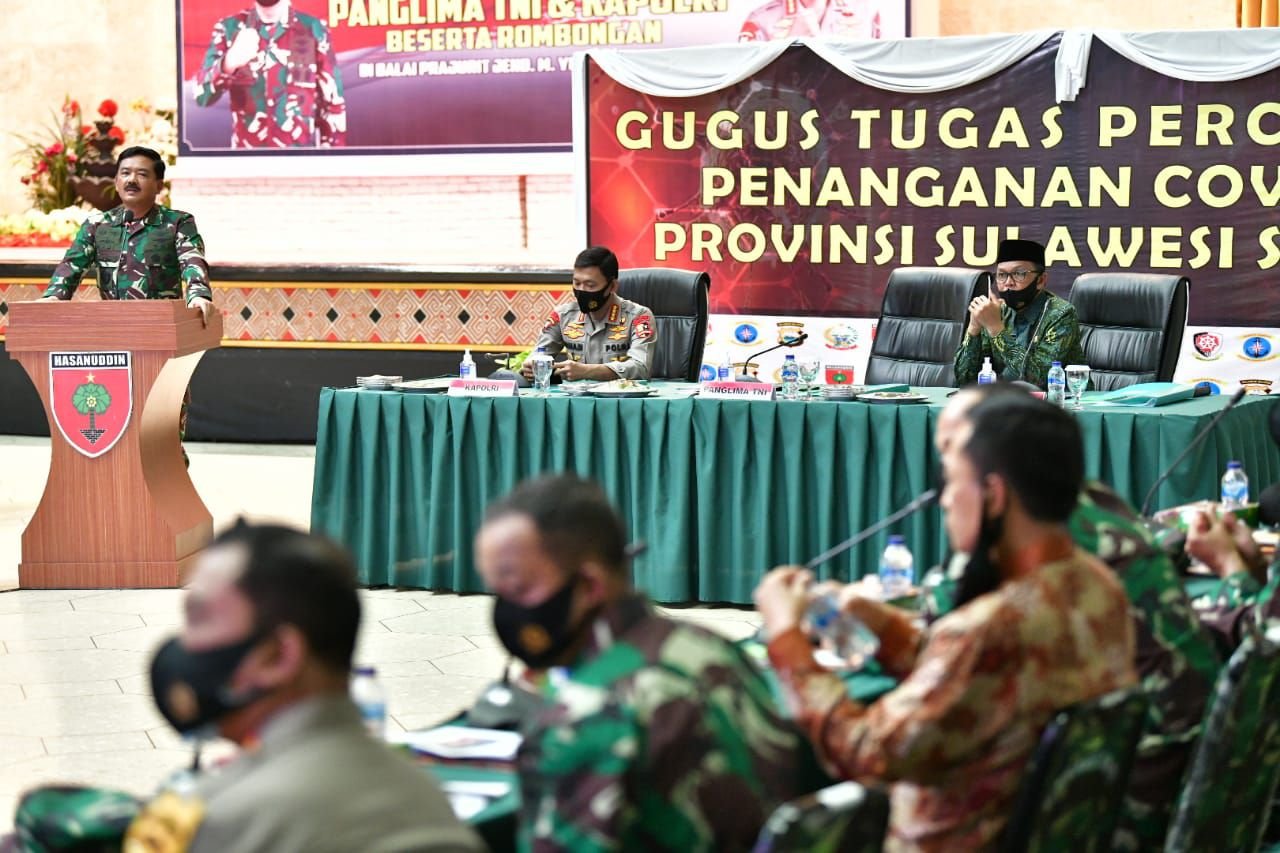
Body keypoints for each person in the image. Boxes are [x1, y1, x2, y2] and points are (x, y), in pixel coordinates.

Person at [754, 392, 1136, 851]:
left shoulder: (989, 627)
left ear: (994, 496)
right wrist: (883, 626)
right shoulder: (1098, 586)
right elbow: (977, 681)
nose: (946, 501)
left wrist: (786, 638)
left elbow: (867, 751)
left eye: (953, 482)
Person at [930, 385, 1220, 850]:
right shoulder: (1090, 501)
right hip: (1189, 776)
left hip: (1139, 796)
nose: (945, 473)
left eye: (953, 450)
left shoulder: (1041, 536)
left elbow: (943, 640)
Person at [473, 474, 813, 851]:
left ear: (590, 586)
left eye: (518, 589)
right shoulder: (711, 647)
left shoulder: (583, 721)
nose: (506, 610)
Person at [126, 521, 481, 853]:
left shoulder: (216, 818)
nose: (184, 643)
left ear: (279, 656)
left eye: (199, 618)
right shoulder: (424, 792)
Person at [38, 146, 213, 325]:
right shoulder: (97, 225)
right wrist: (54, 296)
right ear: (116, 182)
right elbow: (72, 265)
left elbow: (192, 261)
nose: (131, 180)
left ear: (159, 186)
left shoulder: (178, 223)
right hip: (112, 326)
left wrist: (198, 295)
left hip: (161, 325)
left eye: (142, 174)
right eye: (125, 173)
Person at [196, 0, 347, 148]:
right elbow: (201, 96)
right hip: (246, 159)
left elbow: (333, 103)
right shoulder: (229, 29)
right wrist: (229, 63)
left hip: (299, 159)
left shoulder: (314, 28)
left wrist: (331, 156)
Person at [953, 238, 1085, 388]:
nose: (1008, 282)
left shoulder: (1061, 314)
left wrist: (996, 329)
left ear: (1041, 280)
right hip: (1002, 399)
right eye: (1002, 275)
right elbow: (964, 380)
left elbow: (1037, 380)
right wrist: (974, 328)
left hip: (1059, 400)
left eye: (1019, 274)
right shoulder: (996, 311)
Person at [521, 246, 656, 382]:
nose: (581, 290)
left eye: (590, 285)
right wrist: (532, 366)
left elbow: (641, 368)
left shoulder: (639, 317)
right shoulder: (563, 315)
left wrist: (586, 371)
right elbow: (540, 353)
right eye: (577, 283)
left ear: (612, 286)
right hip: (575, 394)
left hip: (620, 393)